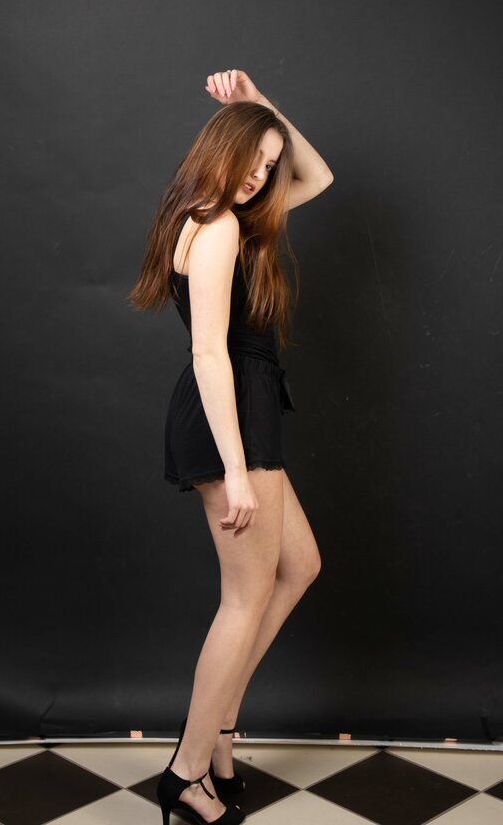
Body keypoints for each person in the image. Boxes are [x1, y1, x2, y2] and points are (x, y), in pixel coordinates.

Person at [128, 68, 334, 824]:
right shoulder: (216, 229)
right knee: (243, 600)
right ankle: (186, 772)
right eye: (251, 159)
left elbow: (318, 175)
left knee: (298, 566)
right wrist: (237, 472)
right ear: (221, 149)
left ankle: (219, 734)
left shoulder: (228, 215)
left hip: (246, 408)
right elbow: (209, 352)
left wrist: (261, 107)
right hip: (229, 419)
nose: (261, 177)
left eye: (268, 166)